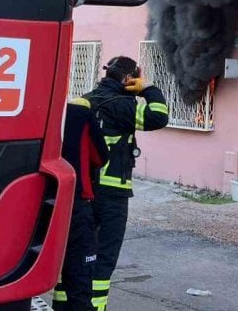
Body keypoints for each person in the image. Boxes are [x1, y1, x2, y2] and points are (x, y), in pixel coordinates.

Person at [84, 56, 169, 311]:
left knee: (79, 251)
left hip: (82, 191)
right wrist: (149, 89)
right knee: (104, 256)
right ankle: (95, 307)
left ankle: (68, 304)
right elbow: (158, 116)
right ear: (128, 79)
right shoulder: (122, 106)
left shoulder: (86, 100)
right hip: (112, 194)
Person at [53, 96, 109, 311]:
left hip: (35, 202)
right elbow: (100, 157)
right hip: (75, 203)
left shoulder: (35, 112)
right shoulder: (81, 115)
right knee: (79, 275)